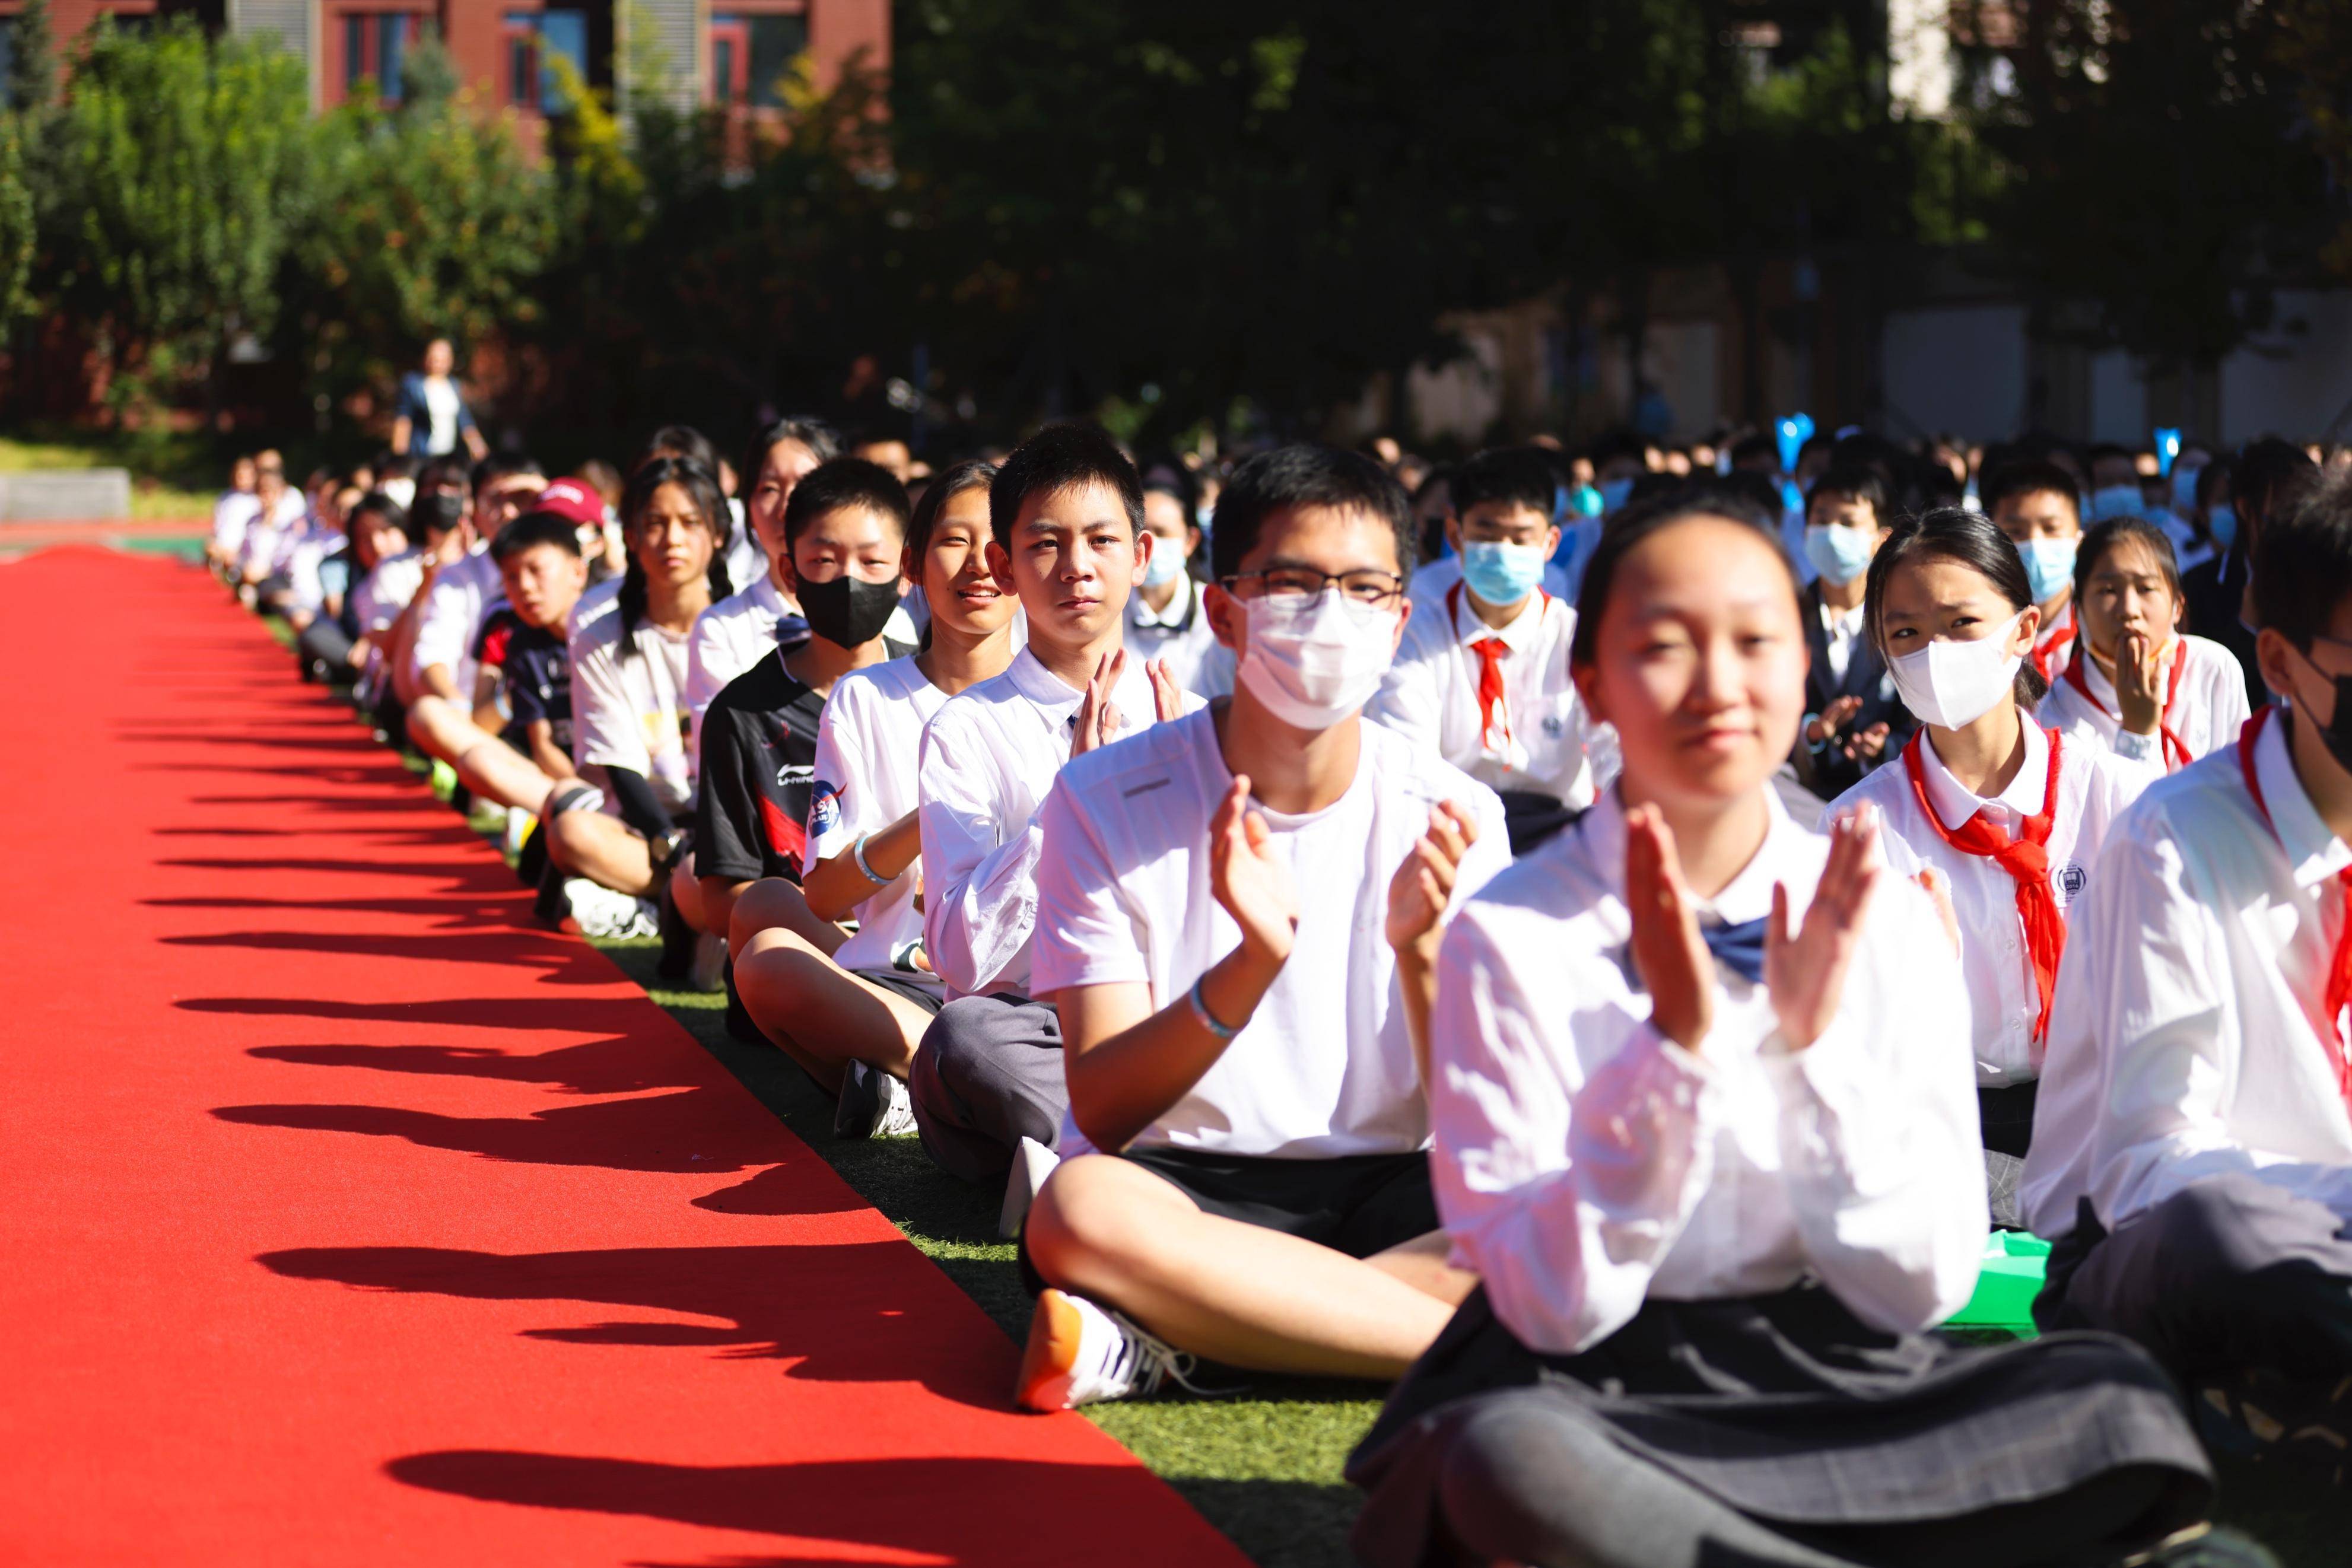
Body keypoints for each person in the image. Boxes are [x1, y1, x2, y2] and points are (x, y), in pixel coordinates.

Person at [1346, 488, 2215, 1568]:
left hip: (1839, 1369)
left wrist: (1812, 1062)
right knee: (1506, 1459)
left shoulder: (1872, 902)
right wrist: (1672, 1055)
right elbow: (1548, 1303)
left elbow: (1923, 1281)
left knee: (2112, 1397)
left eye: (1753, 641)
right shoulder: (1508, 933)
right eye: (1664, 645)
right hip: (1606, 1389)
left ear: (1800, 663)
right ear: (1589, 681)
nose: (1716, 683)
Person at [1012, 442, 1508, 1412]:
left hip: (1393, 1193)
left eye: (1364, 588)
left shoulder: (1452, 813)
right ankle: (1481, 1346)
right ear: (1223, 611)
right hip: (1181, 1187)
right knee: (1077, 1208)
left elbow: (1481, 1127)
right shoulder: (1105, 797)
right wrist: (1249, 964)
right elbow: (1103, 1103)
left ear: (1400, 616)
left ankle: (1187, 1342)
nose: (1330, 616)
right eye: (1292, 583)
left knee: (1569, 1213)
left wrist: (1420, 956)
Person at [2024, 466, 2352, 1480]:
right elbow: (2144, 1163)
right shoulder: (2167, 839)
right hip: (2159, 1247)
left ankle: (2291, 1406)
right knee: (2226, 1234)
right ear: (2280, 662)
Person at [907, 424, 1193, 1200]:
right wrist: (1069, 806)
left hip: (1168, 1024)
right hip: (1035, 1028)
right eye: (1044, 544)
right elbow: (963, 962)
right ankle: (1140, 1161)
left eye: (1101, 541)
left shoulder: (1195, 721)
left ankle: (1102, 1163)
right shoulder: (965, 727)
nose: (1076, 569)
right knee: (961, 1038)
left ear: (1140, 556)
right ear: (1004, 565)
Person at [1832, 509, 2144, 1176]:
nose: (1934, 652)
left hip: (2106, 1112)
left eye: (1961, 623)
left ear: (2023, 630)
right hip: (1937, 1126)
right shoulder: (1854, 831)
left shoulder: (2120, 800)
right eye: (1905, 633)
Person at [732, 460, 1018, 1135]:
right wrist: (932, 818)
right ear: (913, 566)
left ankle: (932, 1081)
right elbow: (825, 898)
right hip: (897, 985)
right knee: (766, 942)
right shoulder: (866, 696)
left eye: (999, 544)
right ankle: (923, 1083)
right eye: (955, 541)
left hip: (1016, 993)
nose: (979, 564)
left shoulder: (1067, 699)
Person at [695, 457, 918, 949]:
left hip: (927, 948)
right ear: (789, 572)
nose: (849, 579)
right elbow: (722, 901)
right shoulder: (742, 713)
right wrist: (833, 935)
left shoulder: (935, 687)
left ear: (906, 571)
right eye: (824, 560)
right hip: (807, 952)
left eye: (872, 561)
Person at [1369, 445, 1614, 854]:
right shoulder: (1416, 638)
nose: (1503, 551)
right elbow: (1408, 762)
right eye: (1486, 536)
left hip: (1559, 835)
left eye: (1520, 538)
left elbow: (1613, 746)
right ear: (1455, 535)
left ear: (1550, 543)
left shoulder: (1576, 637)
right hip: (1452, 833)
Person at [537, 456, 733, 939]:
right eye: (654, 524)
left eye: (690, 523)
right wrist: (672, 844)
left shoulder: (750, 627)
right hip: (646, 832)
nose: (672, 540)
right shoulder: (598, 634)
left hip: (733, 832)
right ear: (629, 537)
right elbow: (621, 769)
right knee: (571, 830)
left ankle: (668, 902)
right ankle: (686, 899)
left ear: (719, 534)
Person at [403, 508, 592, 825]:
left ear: (578, 571)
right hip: (546, 770)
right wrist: (510, 694)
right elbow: (540, 742)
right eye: (512, 577)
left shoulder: (610, 628)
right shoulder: (517, 639)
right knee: (469, 754)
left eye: (536, 570)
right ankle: (572, 806)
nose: (526, 588)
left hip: (621, 771)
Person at [2039, 518, 2251, 774]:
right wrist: (2138, 735)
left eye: (2146, 588)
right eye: (2107, 591)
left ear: (2177, 606)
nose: (2129, 610)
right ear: (2079, 609)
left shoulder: (2214, 668)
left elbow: (2239, 785)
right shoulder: (2055, 712)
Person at [684, 419, 857, 729]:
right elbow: (726, 751)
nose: (786, 508)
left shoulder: (895, 616)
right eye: (769, 489)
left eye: (806, 484)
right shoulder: (722, 630)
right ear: (748, 506)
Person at [1791, 464, 1911, 799]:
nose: (1832, 533)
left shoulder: (1902, 619)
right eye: (1822, 519)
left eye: (1847, 522)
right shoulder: (1785, 616)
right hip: (1799, 799)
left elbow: (1919, 723)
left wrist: (1882, 747)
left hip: (1884, 803)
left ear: (1881, 539)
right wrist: (1810, 734)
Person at [2185, 437, 2321, 710]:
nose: (2296, 527)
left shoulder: (2332, 584)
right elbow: (2198, 692)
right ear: (2246, 509)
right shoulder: (2198, 588)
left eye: (2308, 515)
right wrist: (2246, 628)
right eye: (2284, 514)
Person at [1985, 459, 2086, 682]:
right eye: (2015, 531)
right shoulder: (1980, 631)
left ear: (2078, 539)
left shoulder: (2098, 625)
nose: (2035, 542)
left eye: (2051, 529)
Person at [1124, 465, 1219, 694]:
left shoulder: (1215, 614)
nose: (1149, 545)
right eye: (1140, 533)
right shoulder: (1105, 608)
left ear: (1190, 541)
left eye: (1162, 533)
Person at [389, 338, 490, 462]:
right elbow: (403, 422)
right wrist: (399, 460)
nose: (436, 363)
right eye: (433, 358)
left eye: (442, 359)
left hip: (448, 457)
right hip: (421, 457)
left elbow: (465, 422)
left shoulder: (454, 386)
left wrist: (479, 449)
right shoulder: (413, 384)